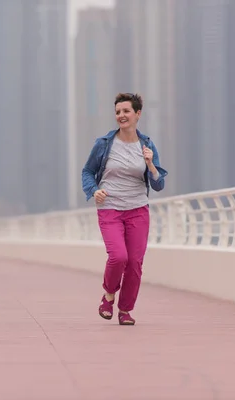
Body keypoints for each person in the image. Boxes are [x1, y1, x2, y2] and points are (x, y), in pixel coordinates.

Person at [81, 92, 168, 326]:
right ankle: (108, 295)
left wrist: (150, 164)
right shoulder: (104, 144)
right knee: (119, 256)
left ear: (138, 114)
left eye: (126, 111)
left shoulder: (147, 145)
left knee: (135, 263)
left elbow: (159, 184)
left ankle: (126, 310)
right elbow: (87, 171)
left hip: (138, 210)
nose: (122, 115)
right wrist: (93, 190)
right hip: (109, 207)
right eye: (118, 112)